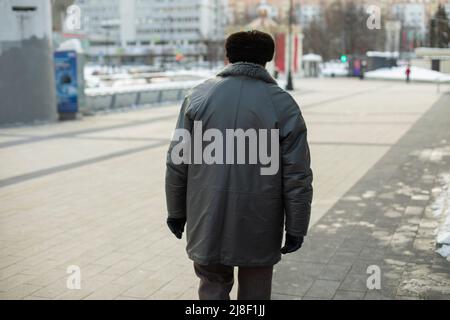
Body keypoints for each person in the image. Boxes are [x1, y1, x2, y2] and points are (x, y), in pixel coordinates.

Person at [165, 30, 313, 300]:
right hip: (260, 220)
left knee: (212, 284)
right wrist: (296, 227)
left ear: (228, 56)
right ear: (268, 59)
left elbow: (177, 162)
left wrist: (176, 212)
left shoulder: (197, 98)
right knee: (255, 291)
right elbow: (297, 174)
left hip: (207, 216)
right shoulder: (283, 104)